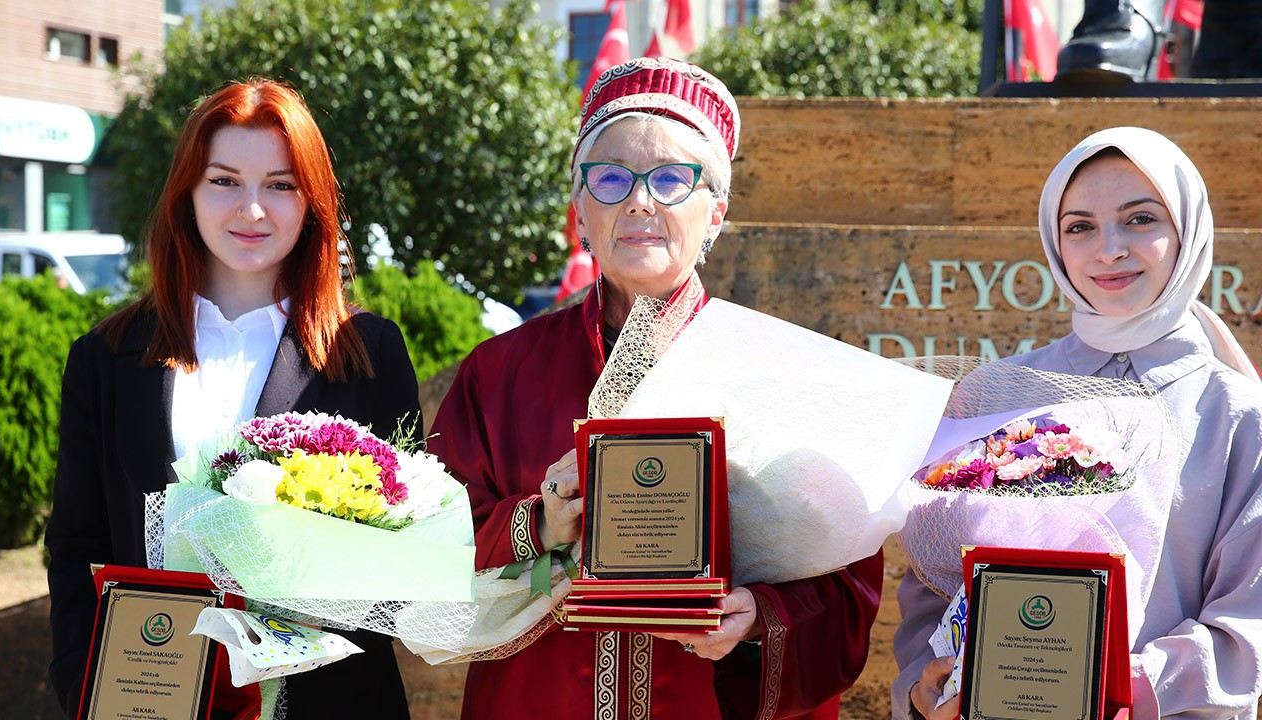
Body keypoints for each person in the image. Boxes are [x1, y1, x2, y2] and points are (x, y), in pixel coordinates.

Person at [428, 57, 884, 720]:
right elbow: (429, 548)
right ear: (580, 211)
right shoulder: (499, 373)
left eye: (671, 179)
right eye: (611, 179)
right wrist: (540, 521)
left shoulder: (782, 375)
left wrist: (760, 617)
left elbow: (848, 591)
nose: (640, 200)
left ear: (717, 211)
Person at [45, 80, 419, 718]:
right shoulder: (105, 358)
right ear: (186, 193)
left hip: (325, 700)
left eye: (280, 184)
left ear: (313, 203)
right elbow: (78, 546)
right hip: (152, 691)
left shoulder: (369, 352)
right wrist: (91, 687)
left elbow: (403, 560)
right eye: (224, 181)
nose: (252, 210)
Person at [893, 126, 1262, 720]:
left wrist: (1110, 682)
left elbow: (1248, 629)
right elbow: (929, 590)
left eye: (1141, 220)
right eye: (1080, 226)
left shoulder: (1239, 416)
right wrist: (922, 686)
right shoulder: (995, 395)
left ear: (1188, 232)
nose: (1108, 249)